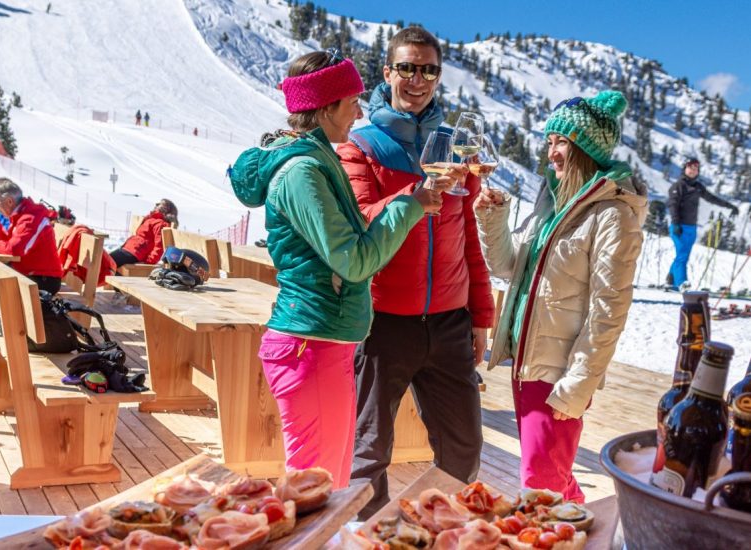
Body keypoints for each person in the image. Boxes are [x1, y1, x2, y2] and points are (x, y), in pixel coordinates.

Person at [229, 50, 441, 489]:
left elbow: (344, 239)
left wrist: (407, 205)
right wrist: (408, 207)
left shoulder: (321, 160)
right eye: (352, 102)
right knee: (316, 485)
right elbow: (355, 260)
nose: (360, 110)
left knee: (330, 481)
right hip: (311, 342)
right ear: (326, 107)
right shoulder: (303, 172)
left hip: (325, 339)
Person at [336, 26, 494, 518]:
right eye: (407, 67)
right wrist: (416, 193)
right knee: (369, 454)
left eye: (428, 69)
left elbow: (468, 238)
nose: (417, 78)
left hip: (450, 322)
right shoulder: (360, 144)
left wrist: (481, 317)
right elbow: (359, 219)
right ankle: (370, 537)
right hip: (383, 321)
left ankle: (440, 529)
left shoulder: (454, 146)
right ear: (387, 73)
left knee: (464, 447)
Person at [474, 91, 647, 502]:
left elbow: (608, 313)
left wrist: (576, 387)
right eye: (549, 140)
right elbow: (507, 269)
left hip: (558, 377)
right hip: (528, 366)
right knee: (552, 479)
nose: (551, 152)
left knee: (541, 486)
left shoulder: (613, 215)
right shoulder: (552, 203)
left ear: (585, 148)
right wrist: (493, 218)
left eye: (561, 142)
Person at [0, 178, 64, 295]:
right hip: (32, 274)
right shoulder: (23, 213)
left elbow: (15, 250)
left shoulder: (30, 218)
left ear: (9, 201)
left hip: (44, 280)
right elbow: (10, 243)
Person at [666, 157, 739, 289]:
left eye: (696, 169)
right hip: (679, 226)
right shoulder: (678, 186)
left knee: (683, 255)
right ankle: (682, 283)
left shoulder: (697, 187)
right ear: (685, 168)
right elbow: (672, 205)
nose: (693, 171)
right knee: (682, 255)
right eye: (690, 168)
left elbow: (711, 198)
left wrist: (729, 206)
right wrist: (676, 223)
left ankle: (671, 280)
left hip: (691, 227)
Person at [110, 199, 178, 268]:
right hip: (130, 249)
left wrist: (150, 261)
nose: (156, 205)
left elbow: (159, 246)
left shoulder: (160, 224)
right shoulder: (152, 219)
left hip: (136, 253)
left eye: (159, 204)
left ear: (165, 209)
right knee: (105, 259)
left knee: (107, 261)